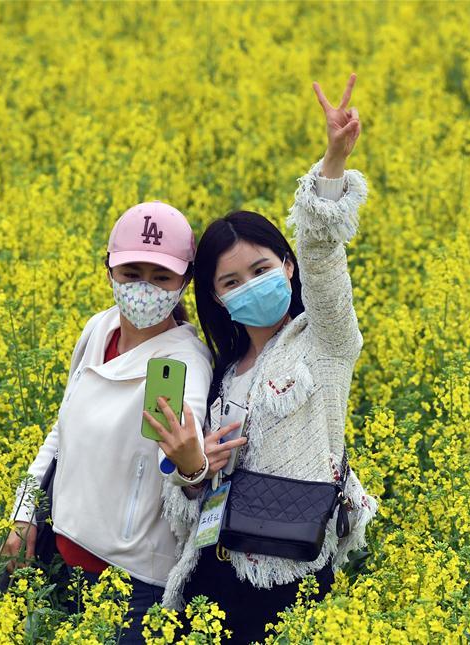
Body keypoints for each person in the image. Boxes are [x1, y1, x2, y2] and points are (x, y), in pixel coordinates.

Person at [156, 72, 379, 644]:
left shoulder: (324, 341)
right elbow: (192, 489)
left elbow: (325, 257)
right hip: (211, 571)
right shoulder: (218, 371)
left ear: (287, 265)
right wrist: (193, 465)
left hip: (289, 570)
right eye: (230, 281)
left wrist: (331, 164)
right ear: (217, 300)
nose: (250, 286)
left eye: (261, 270)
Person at [0, 200, 219, 643]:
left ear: (185, 281)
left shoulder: (184, 362)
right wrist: (25, 513)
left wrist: (191, 464)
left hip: (132, 588)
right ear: (109, 270)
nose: (145, 288)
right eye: (131, 273)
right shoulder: (98, 329)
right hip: (60, 560)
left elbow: (182, 462)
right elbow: (60, 434)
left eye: (162, 277)